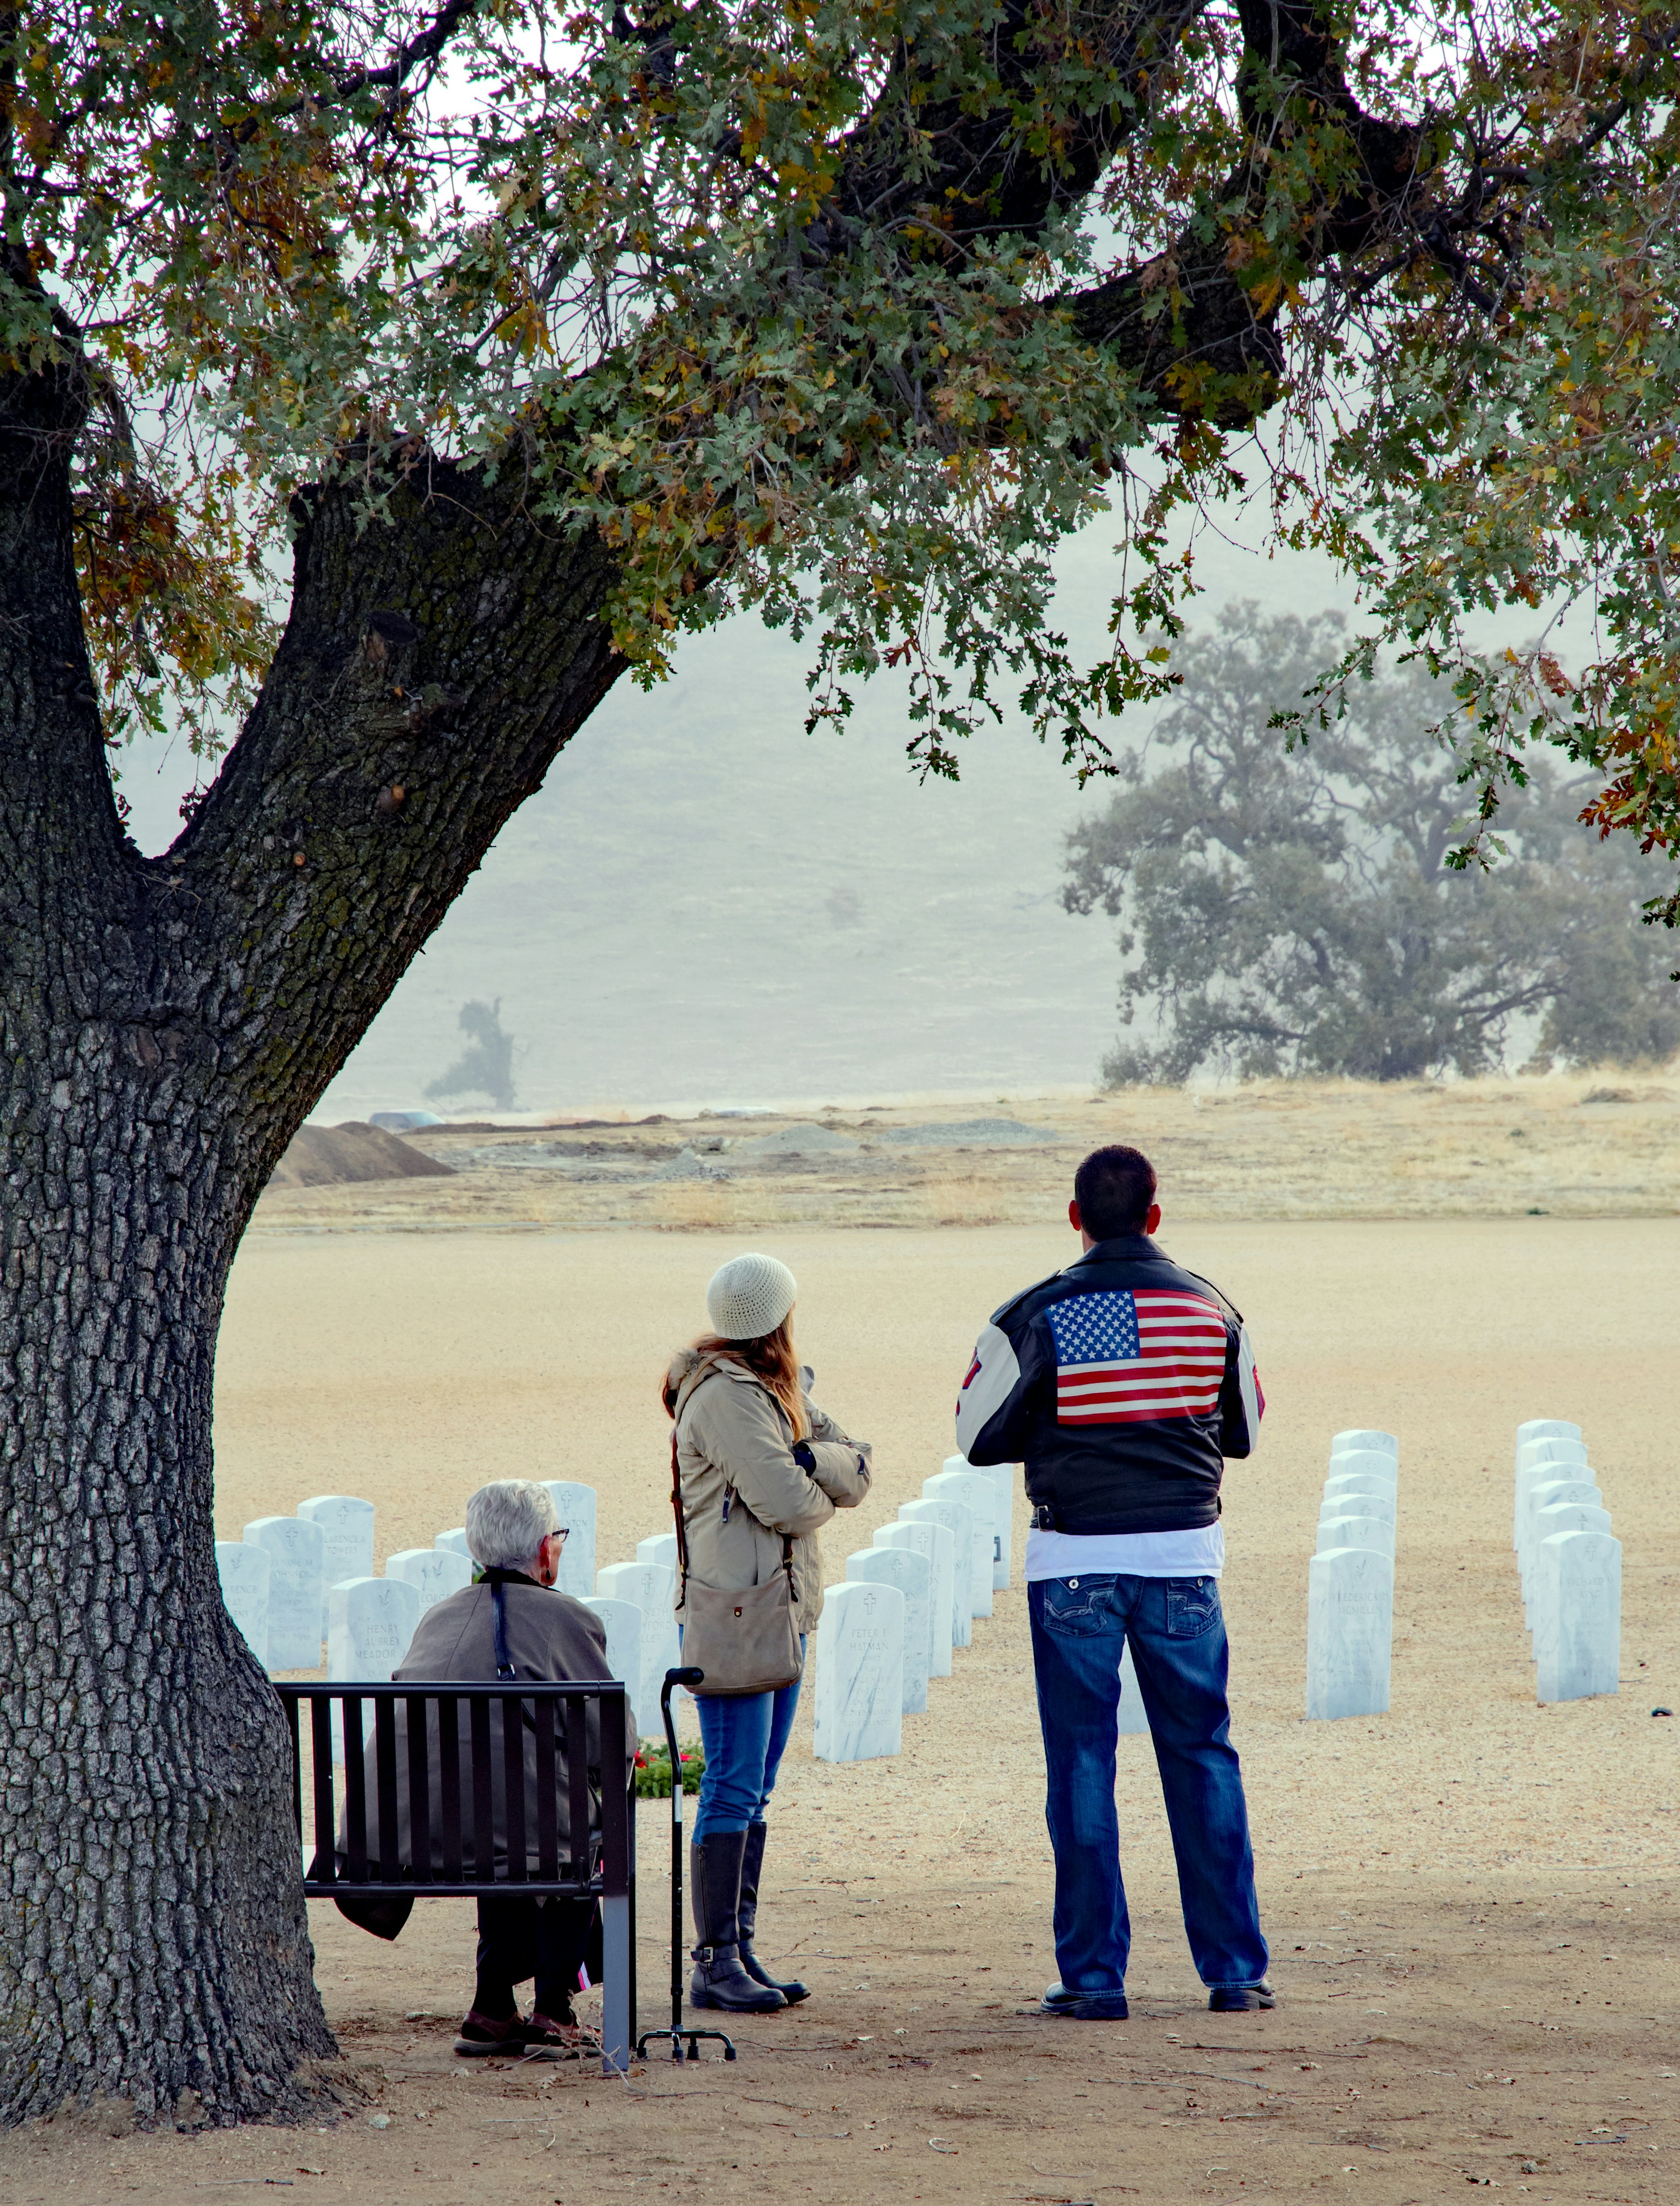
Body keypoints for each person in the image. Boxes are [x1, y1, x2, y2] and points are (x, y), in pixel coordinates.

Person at [955, 1143, 1271, 2019]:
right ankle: (1233, 1970)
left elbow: (976, 1433)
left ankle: (1094, 1978)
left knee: (1083, 1759)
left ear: (1074, 1216)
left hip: (1073, 1559)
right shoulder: (1211, 1308)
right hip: (1182, 1556)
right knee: (1202, 1752)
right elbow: (1241, 1430)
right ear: (1155, 1214)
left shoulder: (1043, 1308)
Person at [342, 1479, 637, 2057]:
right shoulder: (565, 1619)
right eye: (559, 1537)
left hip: (423, 1840)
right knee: (563, 1824)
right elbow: (610, 1745)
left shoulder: (439, 1617)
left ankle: (493, 2005)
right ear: (545, 1549)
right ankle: (553, 2007)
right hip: (524, 1838)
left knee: (498, 1808)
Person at [662, 1251, 872, 2014]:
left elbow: (859, 1464)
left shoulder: (777, 1391)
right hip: (737, 1615)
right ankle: (714, 1960)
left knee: (757, 1788)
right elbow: (795, 1504)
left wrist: (813, 1457)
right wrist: (816, 1471)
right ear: (778, 1316)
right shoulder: (726, 1398)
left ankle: (739, 1948)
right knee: (732, 1785)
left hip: (777, 1611)